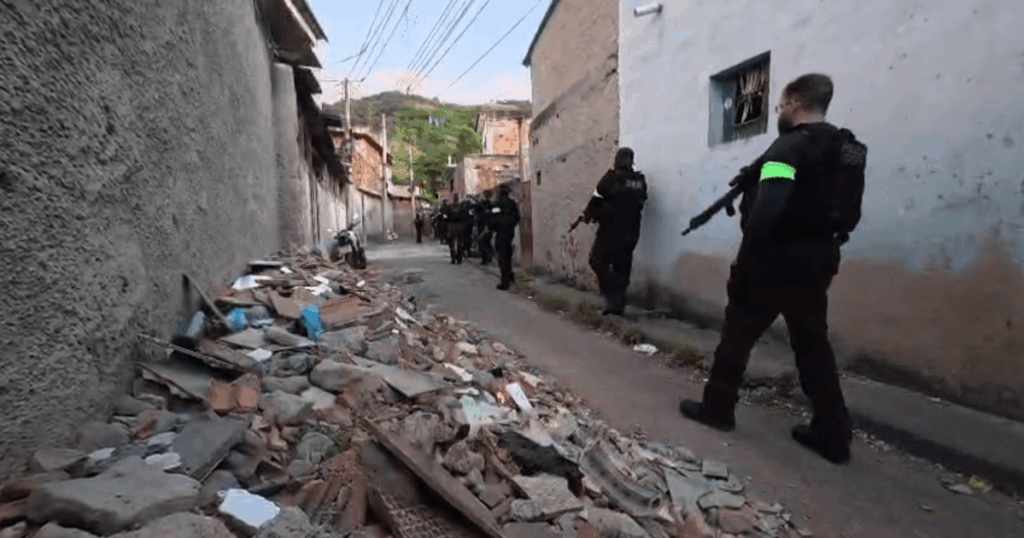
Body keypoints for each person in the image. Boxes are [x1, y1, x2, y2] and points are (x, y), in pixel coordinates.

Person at [678, 74, 867, 465]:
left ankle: (718, 408)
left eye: (780, 106)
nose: (779, 112)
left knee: (738, 334)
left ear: (796, 103)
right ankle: (833, 434)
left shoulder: (787, 148)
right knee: (813, 343)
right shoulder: (847, 149)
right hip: (821, 258)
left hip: (774, 258)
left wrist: (745, 264)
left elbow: (767, 212)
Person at [581, 147, 647, 316]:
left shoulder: (610, 178)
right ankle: (618, 305)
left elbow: (596, 201)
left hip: (611, 230)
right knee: (622, 267)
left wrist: (589, 215)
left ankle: (612, 297)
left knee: (597, 261)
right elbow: (639, 203)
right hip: (631, 232)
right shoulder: (639, 180)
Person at [490, 184, 520, 290]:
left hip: (501, 233)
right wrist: (509, 225)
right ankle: (510, 276)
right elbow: (517, 218)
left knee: (502, 258)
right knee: (507, 256)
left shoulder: (497, 205)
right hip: (509, 233)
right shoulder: (512, 204)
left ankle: (505, 282)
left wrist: (496, 226)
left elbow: (492, 219)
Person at [476, 194, 495, 266]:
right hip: (481, 225)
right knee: (483, 242)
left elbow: (494, 212)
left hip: (488, 226)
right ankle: (485, 258)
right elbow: (476, 211)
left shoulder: (491, 204)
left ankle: (488, 257)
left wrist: (489, 211)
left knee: (485, 242)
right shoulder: (481, 204)